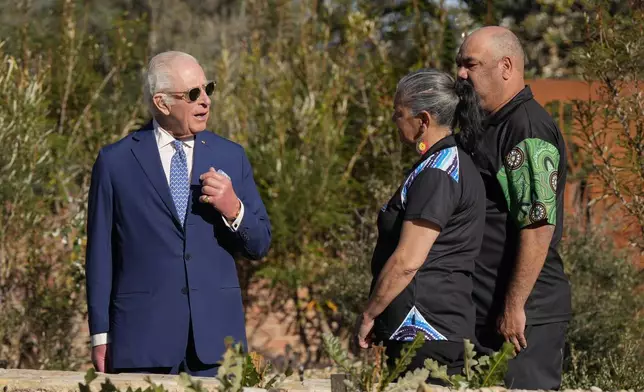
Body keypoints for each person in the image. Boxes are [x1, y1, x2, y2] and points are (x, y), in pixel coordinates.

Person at [85, 51, 271, 377]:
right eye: (193, 94)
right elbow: (100, 255)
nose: (205, 102)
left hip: (217, 348)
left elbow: (260, 244)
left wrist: (234, 209)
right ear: (162, 103)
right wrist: (100, 335)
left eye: (207, 89)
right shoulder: (114, 162)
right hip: (141, 342)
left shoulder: (232, 156)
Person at [456, 26, 571, 390]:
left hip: (524, 319)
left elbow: (538, 224)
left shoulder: (526, 128)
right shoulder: (487, 125)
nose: (460, 74)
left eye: (470, 64)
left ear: (505, 66)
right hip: (487, 312)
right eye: (459, 64)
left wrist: (514, 305)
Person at [355, 69, 486, 382]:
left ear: (423, 120)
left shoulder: (439, 172)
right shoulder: (448, 163)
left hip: (425, 334)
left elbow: (407, 261)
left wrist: (370, 313)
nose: (394, 121)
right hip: (436, 329)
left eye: (398, 114)